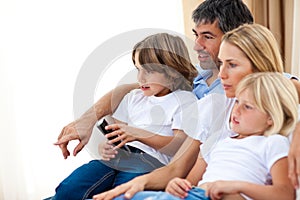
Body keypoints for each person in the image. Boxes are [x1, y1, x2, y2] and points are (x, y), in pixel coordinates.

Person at [55, 0, 300, 194]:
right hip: (185, 178)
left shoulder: (275, 85)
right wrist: (89, 118)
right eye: (195, 35)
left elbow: (284, 92)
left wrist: (298, 131)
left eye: (207, 36)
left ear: (238, 37)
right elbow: (138, 87)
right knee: (73, 189)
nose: (196, 45)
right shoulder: (201, 83)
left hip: (178, 171)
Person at [51, 33, 198, 200]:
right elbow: (118, 134)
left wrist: (139, 134)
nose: (140, 78)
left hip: (150, 164)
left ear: (172, 71)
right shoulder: (134, 97)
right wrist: (107, 147)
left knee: (123, 196)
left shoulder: (185, 100)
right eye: (138, 69)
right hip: (117, 159)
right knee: (68, 190)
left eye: (148, 71)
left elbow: (177, 146)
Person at [112, 72, 298, 200]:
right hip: (197, 194)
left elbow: (285, 194)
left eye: (247, 107)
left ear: (271, 118)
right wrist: (176, 185)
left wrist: (236, 187)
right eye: (238, 102)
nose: (237, 110)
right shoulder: (221, 141)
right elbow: (190, 183)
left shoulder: (274, 143)